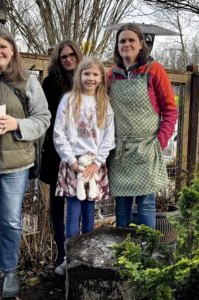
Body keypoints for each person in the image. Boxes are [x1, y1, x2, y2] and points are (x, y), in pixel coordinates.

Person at [0, 24, 50, 298]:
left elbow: (43, 118)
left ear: (12, 50)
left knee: (10, 220)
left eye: (3, 47)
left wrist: (16, 123)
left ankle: (10, 271)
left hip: (16, 163)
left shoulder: (28, 80)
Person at [107, 23, 178, 229]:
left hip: (147, 148)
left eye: (131, 40)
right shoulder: (111, 75)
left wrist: (161, 141)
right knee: (121, 204)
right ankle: (125, 252)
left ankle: (147, 253)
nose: (126, 44)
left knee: (146, 203)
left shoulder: (154, 70)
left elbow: (170, 110)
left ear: (141, 45)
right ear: (117, 46)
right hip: (119, 150)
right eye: (122, 41)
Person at [53, 57, 115, 275]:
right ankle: (69, 257)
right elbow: (58, 133)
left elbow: (109, 137)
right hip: (73, 163)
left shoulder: (104, 104)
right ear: (79, 75)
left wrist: (97, 163)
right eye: (86, 73)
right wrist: (71, 161)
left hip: (94, 165)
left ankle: (87, 256)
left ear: (101, 78)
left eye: (95, 74)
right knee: (72, 212)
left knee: (89, 211)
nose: (91, 78)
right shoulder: (69, 100)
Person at [40, 40, 83, 269]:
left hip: (82, 152)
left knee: (79, 202)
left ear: (78, 55)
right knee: (57, 204)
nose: (68, 59)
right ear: (58, 59)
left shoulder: (87, 81)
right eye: (63, 56)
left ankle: (78, 250)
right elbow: (45, 117)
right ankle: (60, 251)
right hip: (57, 152)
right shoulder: (50, 83)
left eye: (71, 55)